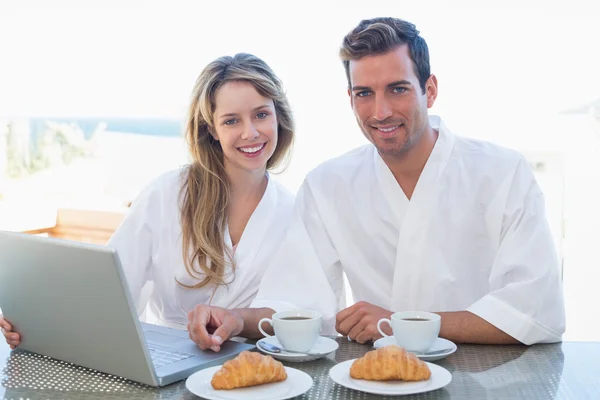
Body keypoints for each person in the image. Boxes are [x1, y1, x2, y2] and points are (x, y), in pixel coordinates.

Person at [185, 17, 565, 351]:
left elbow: (533, 310)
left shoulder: (502, 172)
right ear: (350, 99)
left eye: (397, 89)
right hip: (376, 380)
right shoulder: (328, 185)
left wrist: (397, 323)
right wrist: (234, 318)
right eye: (365, 94)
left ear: (429, 90)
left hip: (493, 380)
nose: (380, 112)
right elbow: (297, 303)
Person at [1, 53, 296, 351]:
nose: (250, 132)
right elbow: (110, 288)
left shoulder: (292, 211)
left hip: (255, 368)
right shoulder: (167, 194)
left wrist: (238, 320)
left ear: (278, 115)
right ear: (211, 130)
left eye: (261, 114)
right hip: (169, 359)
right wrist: (38, 323)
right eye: (231, 120)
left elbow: (300, 312)